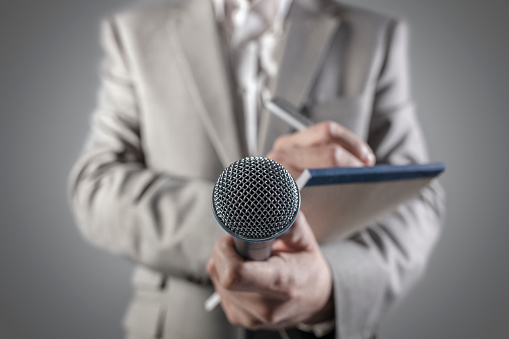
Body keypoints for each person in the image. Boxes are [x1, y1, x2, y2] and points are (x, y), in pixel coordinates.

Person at [69, 0, 445, 338]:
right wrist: (254, 207)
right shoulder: (135, 34)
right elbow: (95, 186)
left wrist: (332, 283)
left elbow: (419, 197)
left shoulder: (373, 36)